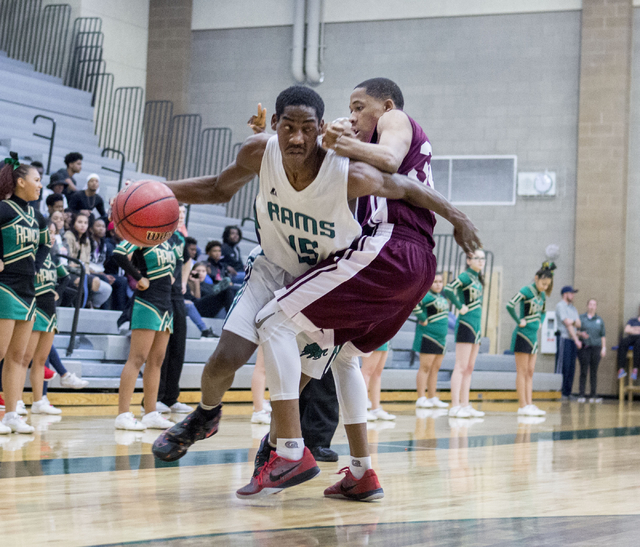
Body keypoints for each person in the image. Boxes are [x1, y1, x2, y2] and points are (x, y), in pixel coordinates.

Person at [151, 85, 480, 501]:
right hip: (274, 267)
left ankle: (282, 450)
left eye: (308, 128)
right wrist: (155, 189)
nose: (297, 138)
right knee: (226, 361)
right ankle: (208, 415)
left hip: (322, 272)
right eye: (288, 127)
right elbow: (218, 187)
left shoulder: (347, 167)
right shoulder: (262, 151)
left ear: (320, 130)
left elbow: (404, 184)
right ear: (275, 126)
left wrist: (456, 215)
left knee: (300, 371)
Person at [0, 152, 49, 434]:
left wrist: (35, 266)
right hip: (5, 286)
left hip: (28, 291)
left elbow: (45, 246)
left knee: (19, 357)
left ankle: (11, 414)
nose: (40, 185)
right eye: (37, 180)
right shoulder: (4, 209)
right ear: (20, 182)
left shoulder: (38, 217)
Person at [112, 238, 180, 430]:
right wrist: (137, 276)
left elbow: (179, 262)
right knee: (137, 358)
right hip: (147, 303)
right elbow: (118, 253)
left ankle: (150, 413)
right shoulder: (142, 235)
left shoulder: (169, 241)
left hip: (166, 304)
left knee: (157, 361)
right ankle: (123, 414)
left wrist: (174, 276)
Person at [20, 247, 70, 416]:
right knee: (25, 359)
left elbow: (66, 277)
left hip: (50, 309)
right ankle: (18, 401)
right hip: (34, 307)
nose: (50, 237)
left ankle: (38, 401)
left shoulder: (54, 258)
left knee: (40, 360)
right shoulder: (29, 256)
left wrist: (58, 293)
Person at [506, 262, 555, 416]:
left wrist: (540, 320)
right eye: (543, 283)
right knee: (521, 371)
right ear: (536, 278)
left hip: (534, 337)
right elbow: (510, 304)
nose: (545, 287)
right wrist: (518, 319)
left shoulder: (542, 295)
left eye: (548, 285)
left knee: (530, 371)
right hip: (522, 335)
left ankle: (530, 403)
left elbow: (544, 311)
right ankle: (522, 405)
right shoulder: (526, 290)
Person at [444, 250, 486, 418]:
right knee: (461, 366)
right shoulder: (466, 276)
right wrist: (459, 305)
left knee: (469, 367)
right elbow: (448, 289)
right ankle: (455, 406)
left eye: (483, 258)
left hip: (476, 326)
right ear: (469, 260)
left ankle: (465, 404)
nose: (481, 261)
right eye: (477, 258)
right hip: (466, 324)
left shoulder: (477, 279)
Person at [156, 229, 194, 415]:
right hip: (159, 295)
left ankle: (171, 398)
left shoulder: (179, 238)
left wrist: (184, 281)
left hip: (177, 295)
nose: (180, 215)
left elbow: (187, 260)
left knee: (178, 348)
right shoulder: (153, 232)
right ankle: (154, 398)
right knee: (161, 350)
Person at [413, 273, 451, 410]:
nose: (438, 284)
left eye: (440, 281)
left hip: (441, 338)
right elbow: (413, 302)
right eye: (435, 281)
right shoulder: (426, 295)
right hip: (428, 336)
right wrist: (423, 317)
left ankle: (432, 397)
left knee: (435, 369)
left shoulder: (442, 298)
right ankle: (421, 397)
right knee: (425, 367)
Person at [63, 212, 112, 309]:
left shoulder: (87, 240)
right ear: (73, 223)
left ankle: (92, 307)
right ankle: (81, 307)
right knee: (85, 281)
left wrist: (86, 273)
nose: (83, 225)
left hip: (82, 271)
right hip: (69, 271)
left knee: (103, 286)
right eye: (80, 222)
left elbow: (86, 262)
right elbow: (68, 261)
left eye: (85, 223)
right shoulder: (68, 236)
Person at [577, 298, 606, 403]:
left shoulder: (599, 320)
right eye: (590, 304)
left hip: (596, 348)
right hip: (585, 347)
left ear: (596, 307)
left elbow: (603, 335)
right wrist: (581, 334)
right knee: (583, 370)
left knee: (594, 371)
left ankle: (593, 394)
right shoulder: (581, 318)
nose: (592, 306)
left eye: (594, 304)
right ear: (587, 305)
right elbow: (575, 331)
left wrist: (604, 348)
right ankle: (581, 394)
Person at [555, 286, 582, 400]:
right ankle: (558, 391)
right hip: (564, 339)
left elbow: (579, 324)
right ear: (565, 294)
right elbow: (567, 323)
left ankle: (567, 392)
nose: (573, 295)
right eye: (571, 293)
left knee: (571, 366)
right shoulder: (560, 306)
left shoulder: (573, 308)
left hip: (572, 340)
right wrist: (577, 339)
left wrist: (573, 322)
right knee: (562, 366)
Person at [361, 345, 395, 421]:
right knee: (367, 371)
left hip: (385, 336)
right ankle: (361, 410)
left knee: (377, 373)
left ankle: (375, 409)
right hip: (374, 335)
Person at [617, 306, 640, 381]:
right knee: (623, 342)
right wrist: (638, 329)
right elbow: (626, 330)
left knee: (638, 344)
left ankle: (635, 369)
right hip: (632, 337)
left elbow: (630, 329)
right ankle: (621, 369)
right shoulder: (633, 320)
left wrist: (633, 329)